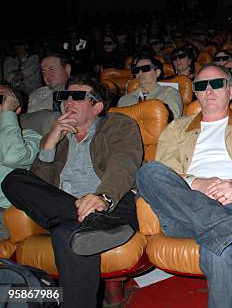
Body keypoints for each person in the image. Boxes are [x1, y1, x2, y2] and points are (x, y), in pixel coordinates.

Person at [136, 63, 232, 308]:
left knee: (220, 245)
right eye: (201, 86)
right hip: (182, 210)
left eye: (217, 84)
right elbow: (164, 178)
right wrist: (196, 183)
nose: (209, 91)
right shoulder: (175, 130)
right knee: (148, 172)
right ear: (195, 93)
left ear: (231, 90)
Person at [1, 74, 142, 308]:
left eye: (77, 96)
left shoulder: (117, 124)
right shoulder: (59, 138)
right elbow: (39, 189)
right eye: (64, 96)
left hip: (113, 203)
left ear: (97, 105)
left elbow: (124, 164)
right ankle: (96, 222)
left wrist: (103, 197)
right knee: (14, 180)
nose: (68, 102)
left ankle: (98, 219)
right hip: (70, 208)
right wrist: (49, 145)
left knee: (67, 234)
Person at [0, 85, 42, 239]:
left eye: (2, 100)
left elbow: (13, 157)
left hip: (6, 212)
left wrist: (7, 113)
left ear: (15, 109)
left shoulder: (31, 137)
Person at [118, 54, 183, 119]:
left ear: (157, 72)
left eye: (145, 68)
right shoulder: (124, 99)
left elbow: (173, 119)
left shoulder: (169, 93)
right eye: (136, 69)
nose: (140, 72)